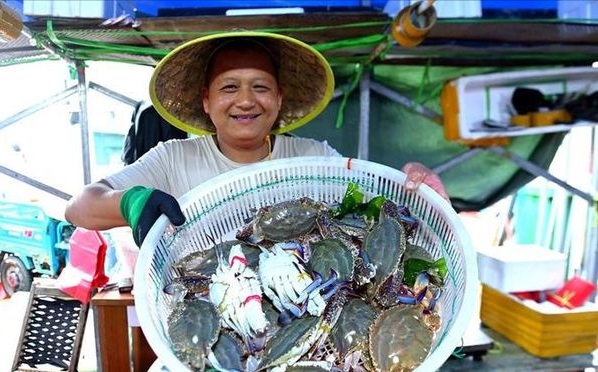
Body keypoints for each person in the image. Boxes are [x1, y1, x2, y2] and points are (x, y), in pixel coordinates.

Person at [65, 31, 448, 246]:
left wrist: (416, 187)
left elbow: (385, 215)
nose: (246, 100)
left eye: (260, 87)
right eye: (229, 87)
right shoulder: (172, 159)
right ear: (206, 100)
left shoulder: (313, 157)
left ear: (279, 99)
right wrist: (131, 201)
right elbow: (79, 207)